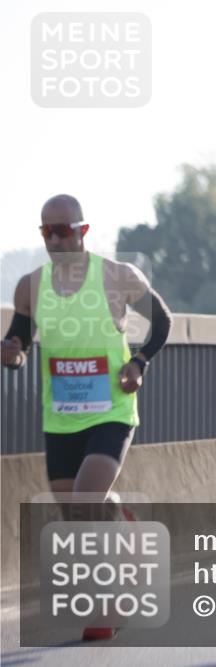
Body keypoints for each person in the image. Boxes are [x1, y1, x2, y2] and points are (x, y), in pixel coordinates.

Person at [1, 195, 173, 640]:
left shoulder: (117, 276)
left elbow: (162, 321)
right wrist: (11, 354)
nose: (55, 239)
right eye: (47, 231)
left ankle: (109, 603)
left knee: (85, 499)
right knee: (78, 510)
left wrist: (139, 363)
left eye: (63, 230)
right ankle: (127, 531)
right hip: (61, 417)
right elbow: (18, 347)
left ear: (83, 231)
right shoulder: (30, 287)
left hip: (111, 410)